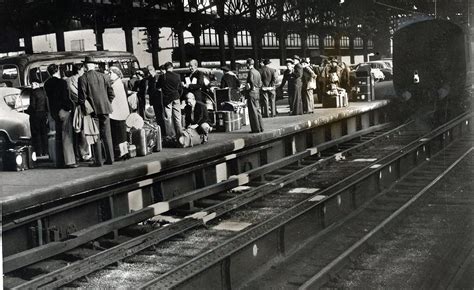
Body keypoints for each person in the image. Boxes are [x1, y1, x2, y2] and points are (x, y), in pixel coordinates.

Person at [78, 56, 115, 166]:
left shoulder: (83, 78)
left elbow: (81, 99)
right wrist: (106, 103)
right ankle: (110, 159)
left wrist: (87, 110)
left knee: (95, 135)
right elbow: (111, 94)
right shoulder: (104, 76)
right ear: (94, 65)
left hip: (92, 111)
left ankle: (98, 161)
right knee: (107, 134)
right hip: (105, 109)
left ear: (85, 66)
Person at [44, 64, 77, 168]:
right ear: (57, 70)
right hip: (63, 111)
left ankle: (59, 162)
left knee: (57, 137)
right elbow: (65, 98)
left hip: (53, 113)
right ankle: (69, 161)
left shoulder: (47, 84)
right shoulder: (62, 82)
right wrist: (69, 107)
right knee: (67, 136)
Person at [67, 63, 90, 161]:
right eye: (83, 70)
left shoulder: (68, 80)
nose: (84, 71)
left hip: (74, 108)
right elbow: (81, 95)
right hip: (82, 107)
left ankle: (78, 154)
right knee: (84, 131)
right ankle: (85, 154)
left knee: (76, 131)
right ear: (79, 70)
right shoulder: (83, 79)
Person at [108, 66, 130, 160]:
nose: (109, 74)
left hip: (116, 112)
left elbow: (112, 97)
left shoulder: (115, 84)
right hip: (122, 111)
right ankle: (125, 152)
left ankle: (121, 153)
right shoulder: (120, 82)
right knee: (122, 133)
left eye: (110, 73)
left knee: (118, 133)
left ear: (116, 74)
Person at [157, 61, 183, 141]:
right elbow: (180, 88)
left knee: (168, 118)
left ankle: (170, 136)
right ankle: (180, 135)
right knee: (177, 117)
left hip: (167, 99)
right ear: (172, 68)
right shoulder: (177, 76)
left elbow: (157, 86)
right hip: (176, 97)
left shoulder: (162, 76)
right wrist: (179, 96)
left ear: (165, 68)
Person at [27, 81, 49, 157]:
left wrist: (28, 111)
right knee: (44, 133)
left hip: (35, 114)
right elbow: (46, 103)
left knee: (36, 133)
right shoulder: (43, 92)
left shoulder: (33, 93)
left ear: (37, 84)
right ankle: (45, 151)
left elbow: (32, 105)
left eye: (33, 84)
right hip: (43, 114)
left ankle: (38, 151)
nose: (32, 85)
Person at [244, 58, 264, 133]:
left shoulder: (250, 72)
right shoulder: (257, 72)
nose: (246, 65)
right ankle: (261, 127)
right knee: (258, 110)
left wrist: (250, 88)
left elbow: (251, 82)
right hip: (257, 92)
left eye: (247, 64)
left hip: (252, 93)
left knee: (253, 111)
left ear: (248, 64)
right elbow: (260, 83)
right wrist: (257, 88)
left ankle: (256, 129)